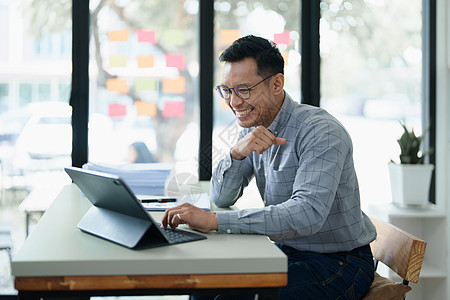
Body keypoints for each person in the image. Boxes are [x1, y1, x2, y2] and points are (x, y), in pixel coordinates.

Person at [161, 35, 377, 300]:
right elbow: (222, 196)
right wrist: (236, 153)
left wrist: (215, 221)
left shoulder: (321, 131)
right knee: (204, 288)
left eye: (243, 89)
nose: (234, 102)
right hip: (284, 251)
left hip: (338, 263)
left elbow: (307, 214)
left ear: (277, 84)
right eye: (227, 90)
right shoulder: (254, 126)